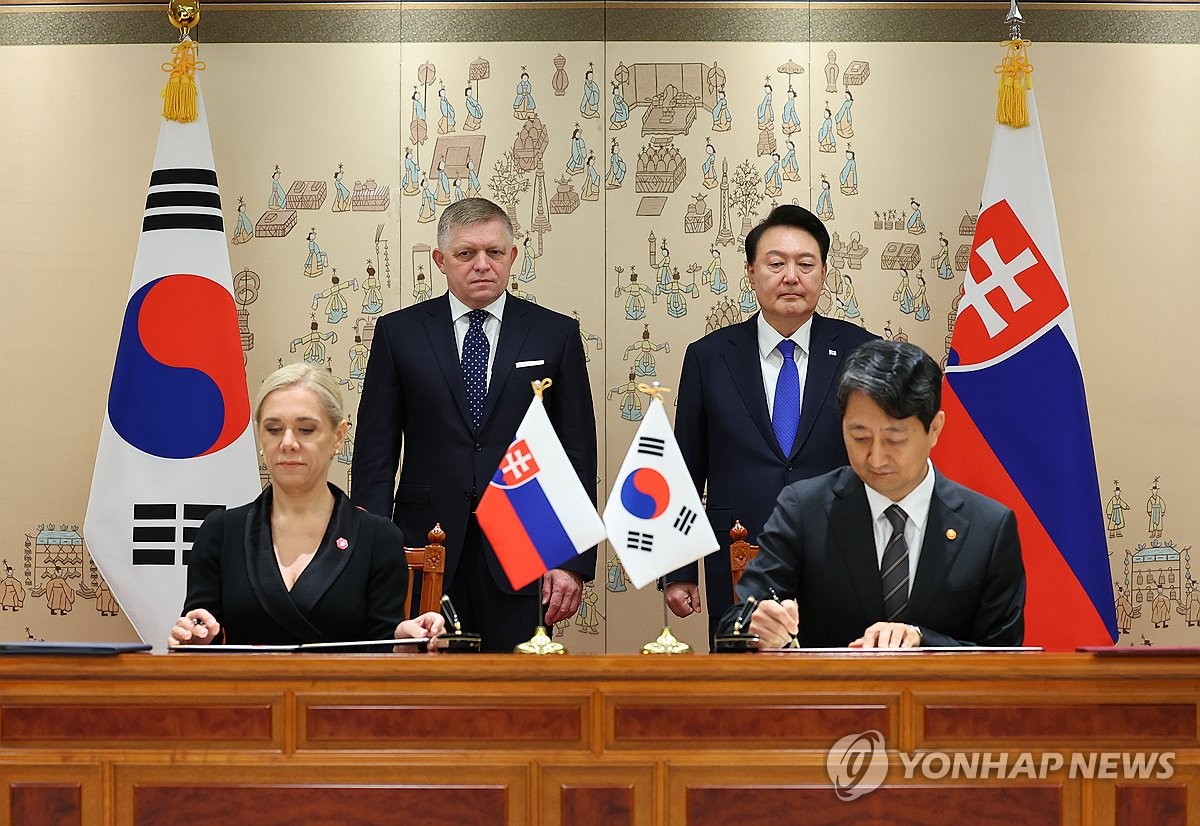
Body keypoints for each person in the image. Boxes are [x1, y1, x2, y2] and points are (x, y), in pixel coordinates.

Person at [352, 198, 598, 652]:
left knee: (516, 696)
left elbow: (577, 452)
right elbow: (374, 455)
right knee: (428, 697)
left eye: (495, 253)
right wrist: (371, 553)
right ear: (441, 260)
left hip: (526, 540)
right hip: (424, 543)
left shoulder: (554, 333)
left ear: (513, 256)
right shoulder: (398, 333)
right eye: (466, 254)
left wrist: (571, 560)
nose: (482, 265)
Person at [719, 340, 1026, 648]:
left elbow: (1004, 658)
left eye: (895, 438)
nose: (876, 458)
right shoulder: (803, 509)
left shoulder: (989, 527)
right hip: (832, 695)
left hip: (943, 697)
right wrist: (754, 627)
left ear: (934, 428)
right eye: (860, 436)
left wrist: (923, 642)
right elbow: (735, 624)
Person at [665, 205, 877, 643]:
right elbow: (684, 469)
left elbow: (880, 462)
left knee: (840, 689)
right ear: (751, 272)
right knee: (743, 690)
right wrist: (679, 570)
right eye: (776, 264)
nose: (791, 277)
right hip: (739, 555)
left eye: (805, 264)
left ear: (823, 272)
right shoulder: (709, 357)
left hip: (842, 553)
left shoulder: (862, 351)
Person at [170, 364, 445, 649]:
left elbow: (381, 647)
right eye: (274, 429)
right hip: (247, 691)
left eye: (306, 429)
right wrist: (193, 635)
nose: (288, 443)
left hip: (338, 692)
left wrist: (402, 640)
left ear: (338, 436)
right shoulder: (222, 531)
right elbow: (200, 631)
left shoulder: (378, 537)